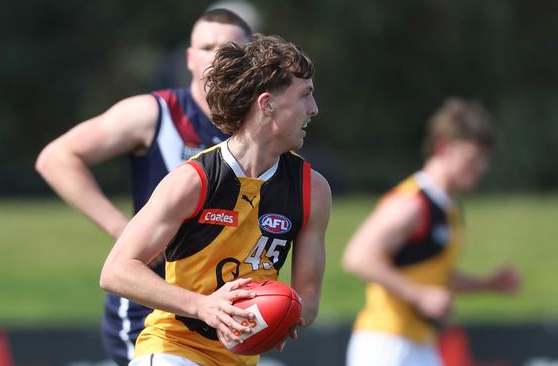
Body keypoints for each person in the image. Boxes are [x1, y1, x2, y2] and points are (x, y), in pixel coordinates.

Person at [35, 9, 252, 366]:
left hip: (223, 305)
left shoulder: (260, 128)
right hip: (151, 304)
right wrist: (123, 232)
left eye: (228, 48)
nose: (217, 57)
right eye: (206, 47)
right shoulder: (155, 114)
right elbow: (56, 158)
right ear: (189, 58)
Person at [100, 34, 331, 366]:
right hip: (171, 350)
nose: (314, 109)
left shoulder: (313, 190)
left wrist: (285, 312)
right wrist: (203, 306)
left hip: (238, 359)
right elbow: (116, 270)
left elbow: (308, 299)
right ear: (267, 104)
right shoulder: (194, 180)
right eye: (305, 95)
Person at [341, 98, 521, 366]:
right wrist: (420, 295)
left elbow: (435, 277)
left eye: (485, 159)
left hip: (421, 344)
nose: (481, 168)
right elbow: (357, 257)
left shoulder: (450, 208)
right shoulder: (412, 203)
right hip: (387, 344)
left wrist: (486, 284)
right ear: (443, 147)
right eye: (473, 158)